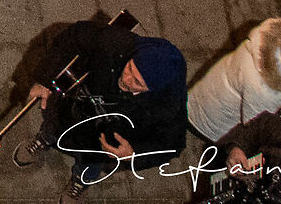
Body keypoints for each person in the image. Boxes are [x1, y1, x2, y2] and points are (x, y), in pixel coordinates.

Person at [18, 20, 189, 198]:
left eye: (137, 82)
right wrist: (45, 80)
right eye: (130, 68)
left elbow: (172, 143)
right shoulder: (115, 42)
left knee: (91, 162)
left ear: (153, 89)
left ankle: (81, 180)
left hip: (105, 137)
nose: (127, 79)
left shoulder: (169, 102)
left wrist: (134, 154)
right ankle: (45, 139)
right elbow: (71, 38)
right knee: (54, 124)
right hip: (76, 104)